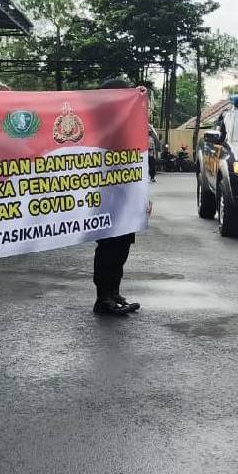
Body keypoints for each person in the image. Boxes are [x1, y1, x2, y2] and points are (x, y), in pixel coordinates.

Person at [93, 77, 143, 317]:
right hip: (104, 194)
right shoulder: (96, 121)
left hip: (127, 191)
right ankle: (103, 298)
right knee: (108, 245)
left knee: (123, 244)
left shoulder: (129, 122)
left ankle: (114, 291)